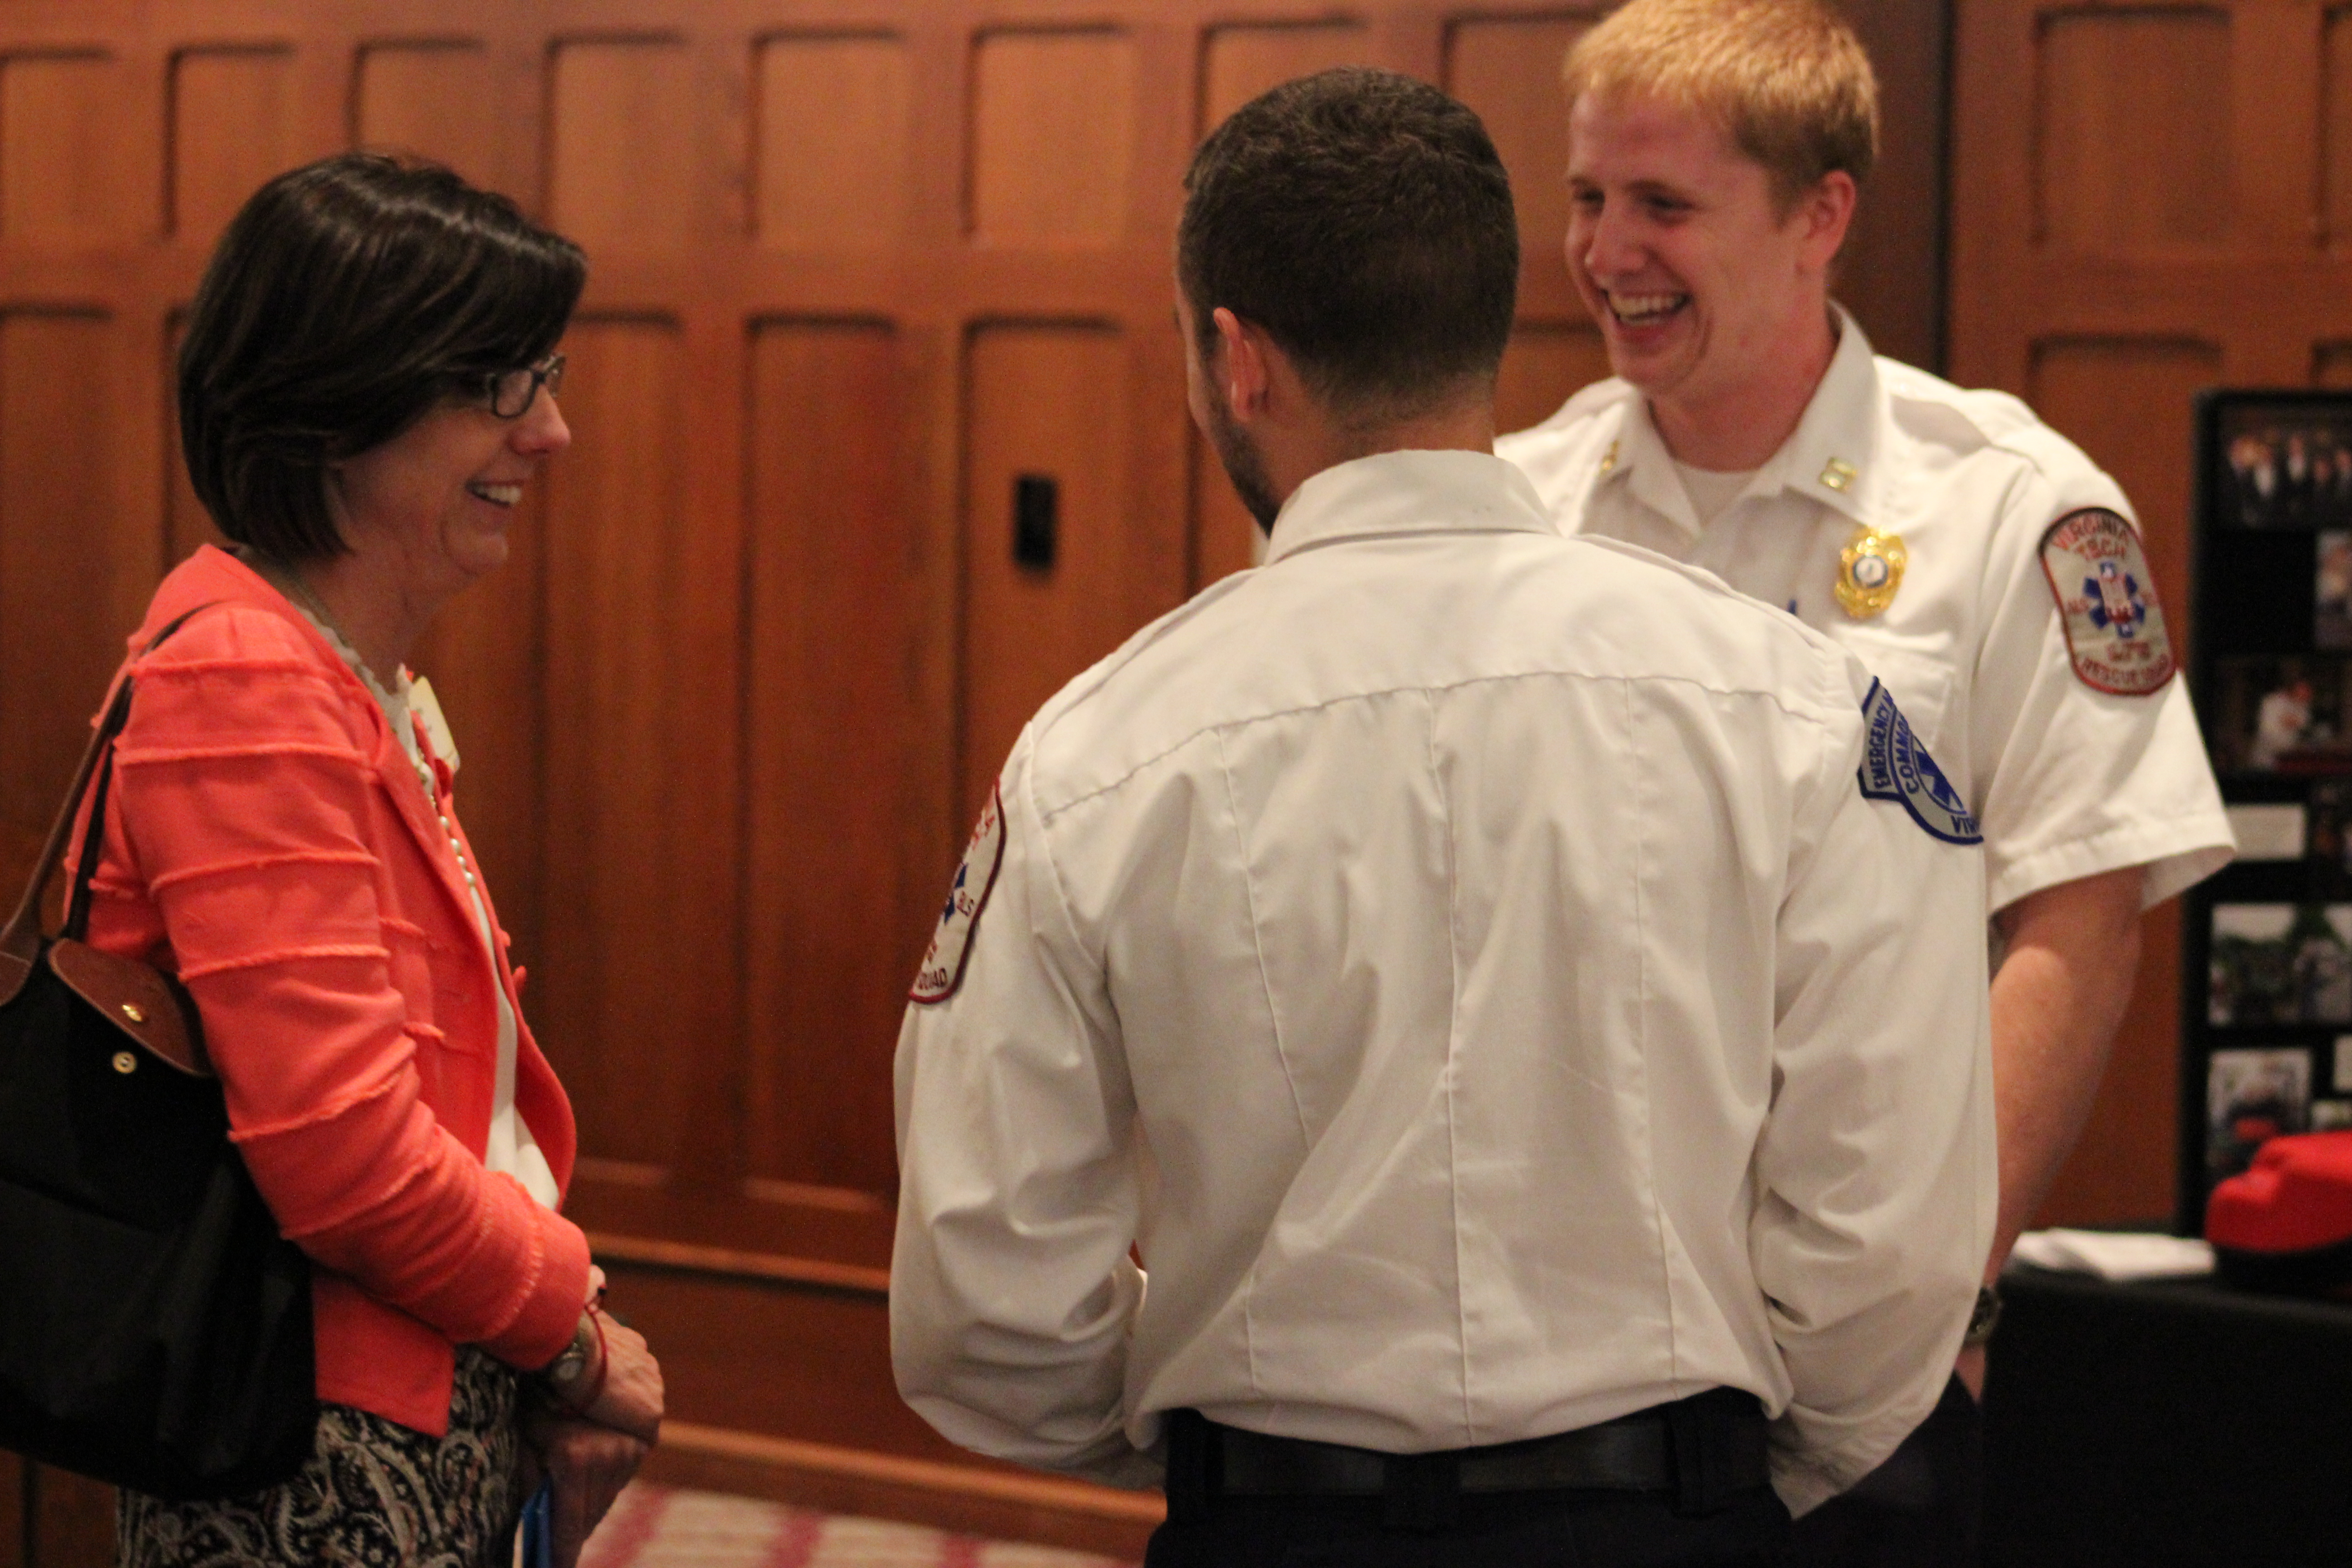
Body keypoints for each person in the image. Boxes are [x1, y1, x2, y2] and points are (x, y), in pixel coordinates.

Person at [892, 67, 1994, 1567]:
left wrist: (1211, 1427)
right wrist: (1725, 1465)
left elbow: (985, 1297)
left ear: (1237, 360)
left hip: (1281, 1525)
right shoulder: (1790, 704)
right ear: (1489, 330)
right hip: (1672, 1517)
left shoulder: (1102, 751)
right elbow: (1887, 1242)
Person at [1491, 1, 2233, 1559]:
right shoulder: (1517, 514)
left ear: (1822, 214)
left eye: (1665, 206)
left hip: (1864, 1374)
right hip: (1553, 1361)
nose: (1607, 250)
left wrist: (1935, 1293)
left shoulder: (2010, 513)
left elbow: (2081, 924)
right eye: (1586, 198)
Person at [74, 153, 662, 1568]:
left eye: (546, 375)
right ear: (342, 406)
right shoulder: (245, 680)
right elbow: (347, 1164)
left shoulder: (334, 672)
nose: (553, 434)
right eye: (502, 386)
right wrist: (573, 1328)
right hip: (309, 1437)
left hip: (398, 1384)